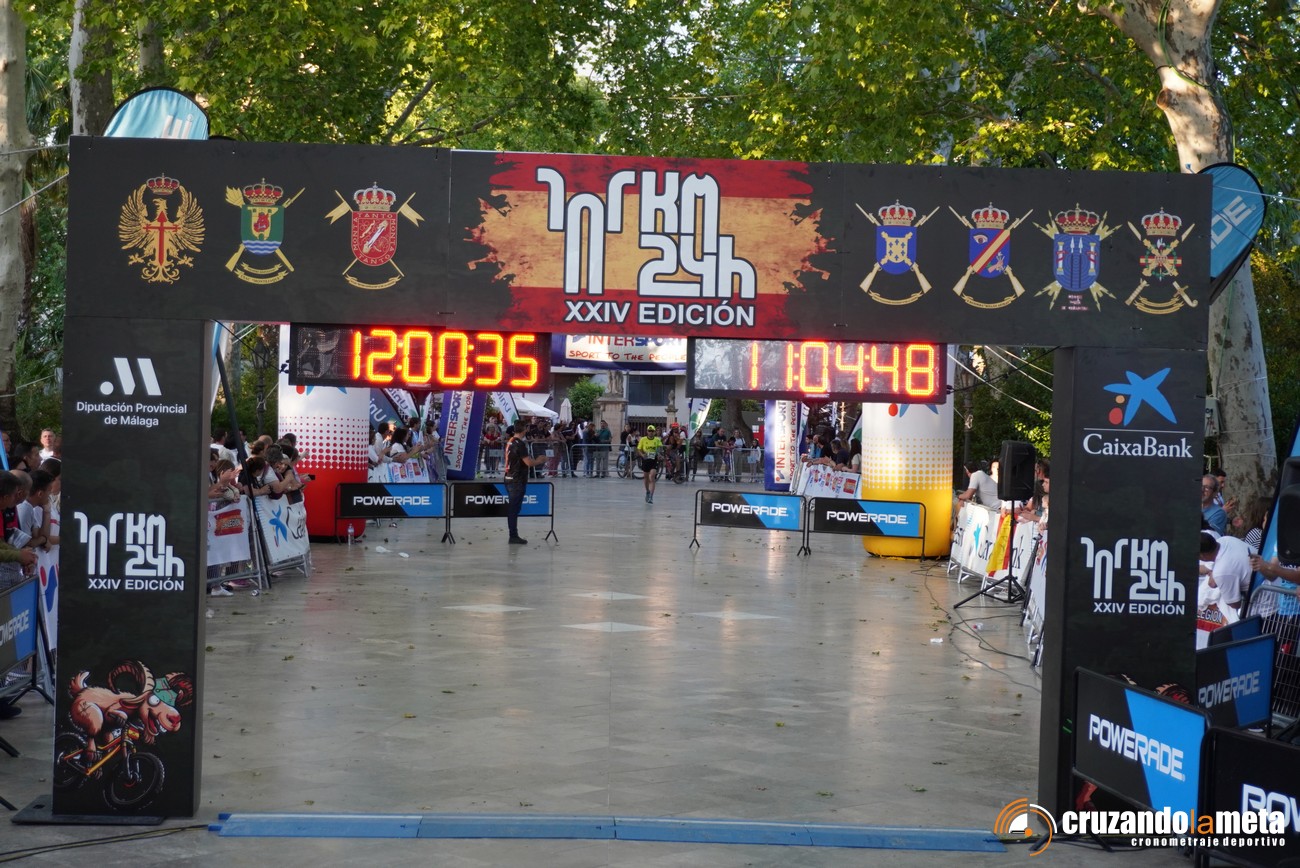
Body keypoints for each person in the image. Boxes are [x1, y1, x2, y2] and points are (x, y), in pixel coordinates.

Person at [503, 424, 547, 544]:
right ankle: (513, 535)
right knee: (514, 508)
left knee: (514, 507)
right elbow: (528, 462)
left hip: (509, 477)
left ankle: (513, 534)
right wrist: (539, 460)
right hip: (516, 479)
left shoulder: (511, 441)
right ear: (524, 430)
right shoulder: (519, 444)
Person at [637, 424, 664, 503]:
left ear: (654, 432)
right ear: (647, 431)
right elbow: (639, 449)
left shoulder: (657, 440)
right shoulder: (643, 439)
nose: (651, 432)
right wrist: (642, 455)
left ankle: (651, 496)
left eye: (652, 431)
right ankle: (647, 491)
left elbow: (660, 449)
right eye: (649, 431)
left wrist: (659, 455)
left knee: (652, 477)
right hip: (646, 460)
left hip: (654, 460)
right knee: (646, 478)